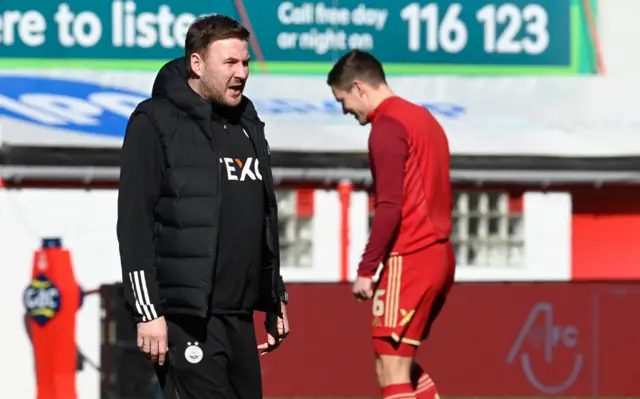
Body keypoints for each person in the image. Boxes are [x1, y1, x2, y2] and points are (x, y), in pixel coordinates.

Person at [116, 14, 289, 399]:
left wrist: (274, 296)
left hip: (239, 318)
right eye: (229, 63)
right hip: (186, 320)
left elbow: (263, 218)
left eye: (245, 63)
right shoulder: (154, 121)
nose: (241, 73)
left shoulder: (247, 122)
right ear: (197, 63)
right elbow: (134, 225)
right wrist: (147, 312)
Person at [327, 50, 455, 399]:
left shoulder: (387, 126)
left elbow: (389, 206)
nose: (345, 110)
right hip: (440, 254)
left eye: (343, 100)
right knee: (401, 361)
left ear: (358, 87)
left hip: (410, 255)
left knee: (390, 366)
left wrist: (367, 269)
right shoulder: (424, 119)